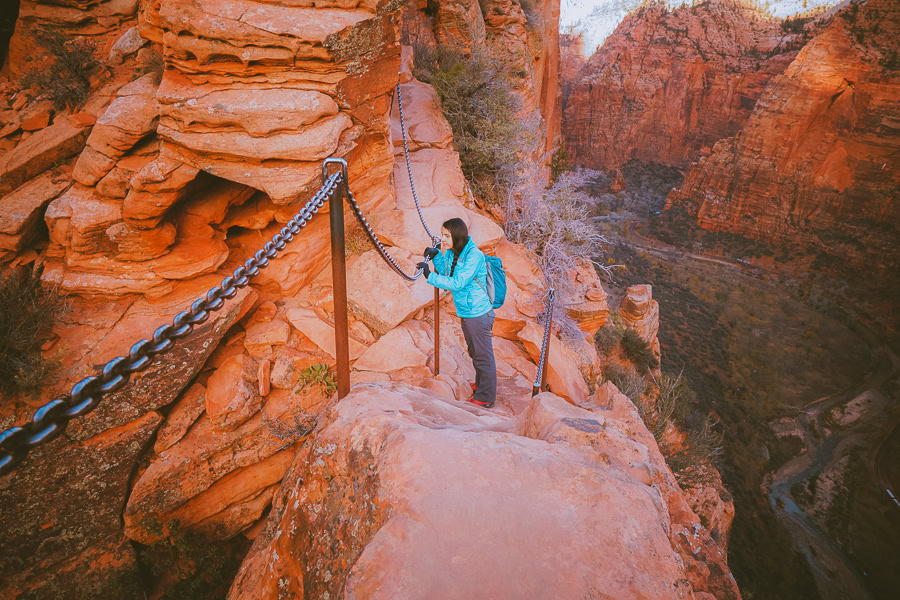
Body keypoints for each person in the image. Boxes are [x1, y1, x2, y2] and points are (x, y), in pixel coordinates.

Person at [417, 218, 497, 408]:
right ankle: (481, 384)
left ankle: (486, 397)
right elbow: (447, 271)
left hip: (478, 314)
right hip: (468, 312)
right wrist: (436, 255)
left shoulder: (473, 256)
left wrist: (430, 276)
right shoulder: (455, 251)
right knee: (475, 351)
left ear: (457, 236)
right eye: (442, 234)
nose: (443, 239)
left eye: (446, 236)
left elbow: (458, 282)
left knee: (482, 355)